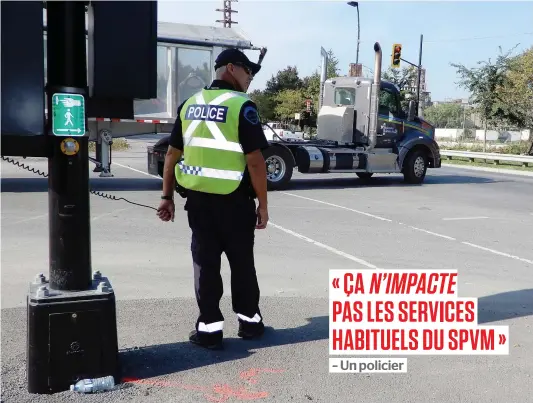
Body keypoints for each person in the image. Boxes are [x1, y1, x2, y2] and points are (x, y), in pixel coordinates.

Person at [157, 48, 270, 350]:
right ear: (231, 69)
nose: (249, 78)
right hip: (235, 203)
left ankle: (209, 329)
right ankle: (249, 323)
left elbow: (171, 154)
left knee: (205, 265)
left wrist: (166, 196)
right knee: (242, 265)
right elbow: (256, 161)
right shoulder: (241, 106)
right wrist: (264, 204)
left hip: (199, 204)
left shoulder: (189, 105)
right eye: (248, 71)